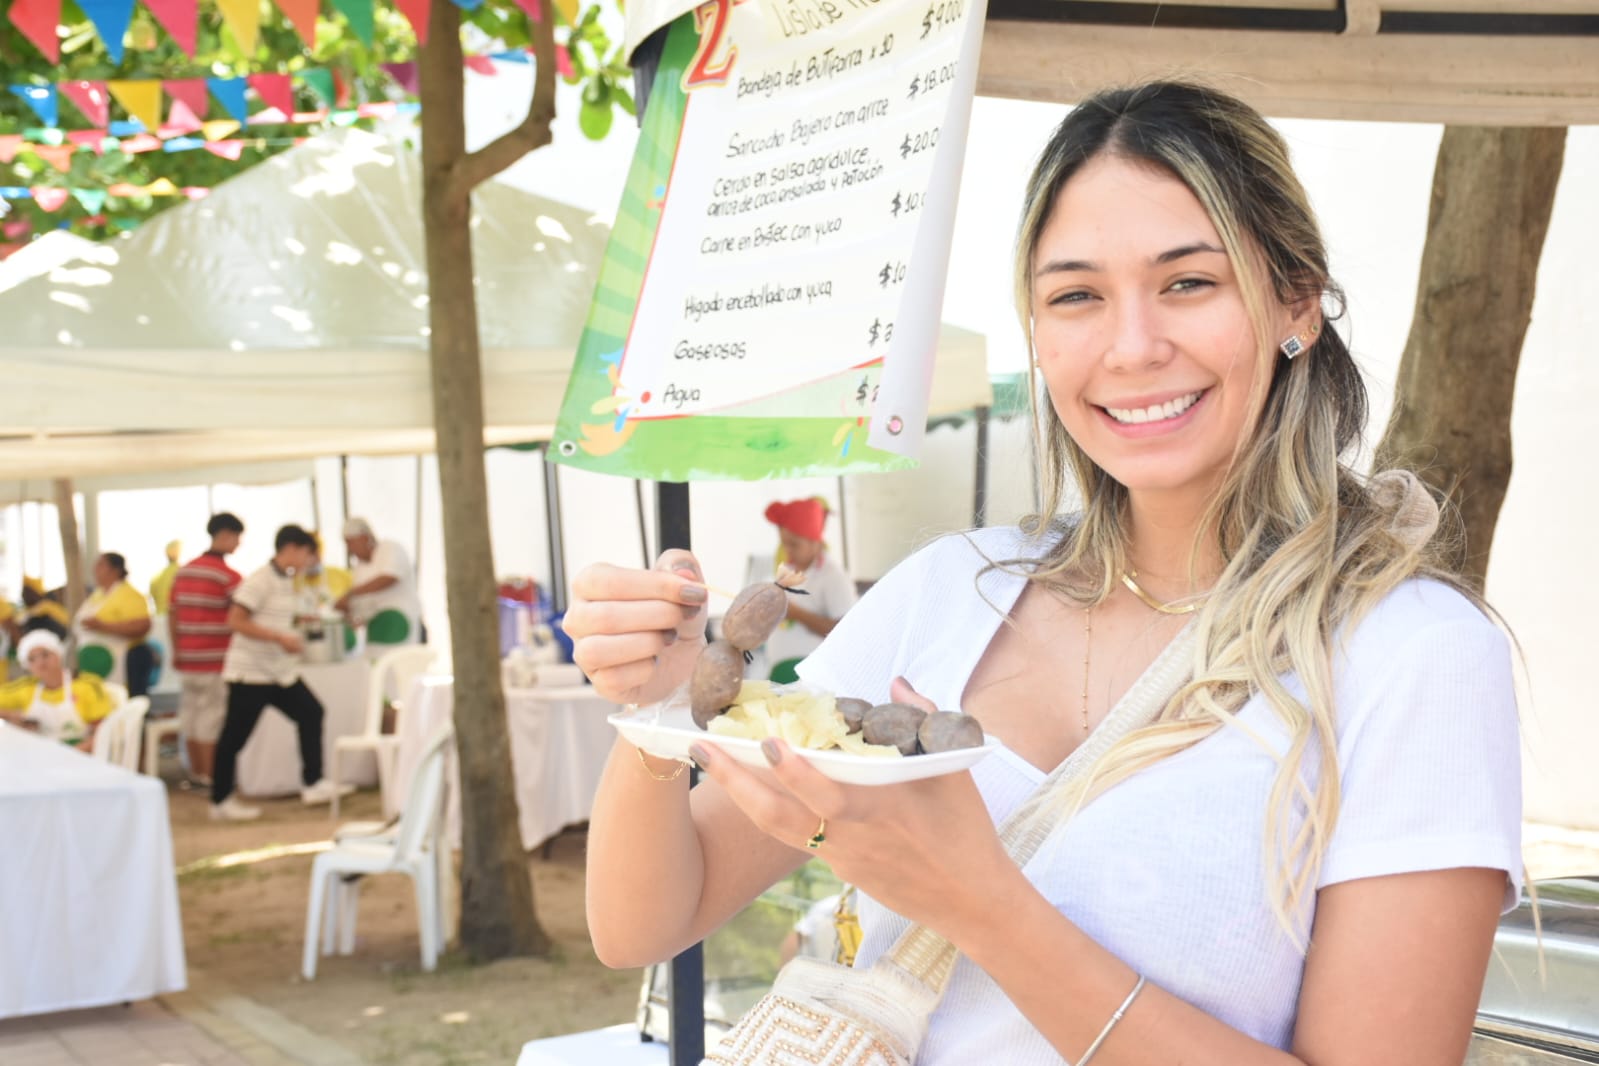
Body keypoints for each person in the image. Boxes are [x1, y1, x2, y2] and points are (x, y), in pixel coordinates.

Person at [565, 82, 1521, 1065]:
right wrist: (659, 713)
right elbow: (646, 922)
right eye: (1077, 296)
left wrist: (980, 906)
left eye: (1189, 282)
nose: (1132, 346)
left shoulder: (1414, 655)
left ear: (1296, 303)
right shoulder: (950, 589)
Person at [210, 524, 352, 822]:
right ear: (290, 549)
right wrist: (278, 638)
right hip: (250, 674)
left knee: (311, 712)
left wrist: (299, 623)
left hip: (279, 673)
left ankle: (313, 783)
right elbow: (235, 620)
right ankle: (220, 800)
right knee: (234, 738)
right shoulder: (259, 580)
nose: (308, 560)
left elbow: (277, 617)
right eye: (306, 553)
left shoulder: (288, 581)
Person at [169, 513, 245, 786]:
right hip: (215, 659)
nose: (238, 544)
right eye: (237, 538)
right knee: (212, 720)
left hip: (188, 659)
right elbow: (244, 617)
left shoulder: (184, 572)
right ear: (225, 535)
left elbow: (172, 614)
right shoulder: (229, 577)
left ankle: (196, 774)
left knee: (191, 717)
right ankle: (212, 777)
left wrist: (177, 650)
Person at [749, 498, 857, 683]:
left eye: (794, 544)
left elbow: (845, 632)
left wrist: (797, 613)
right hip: (779, 669)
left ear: (814, 542)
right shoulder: (788, 570)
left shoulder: (833, 576)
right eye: (785, 543)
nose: (788, 550)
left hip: (813, 675)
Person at [0, 630, 115, 747]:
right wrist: (11, 715)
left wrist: (74, 754)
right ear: (27, 666)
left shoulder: (88, 685)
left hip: (82, 756)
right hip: (39, 753)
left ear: (59, 655)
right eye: (32, 659)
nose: (40, 662)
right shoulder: (25, 688)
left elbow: (103, 731)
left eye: (45, 654)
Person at [74, 552, 154, 695]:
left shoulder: (129, 594)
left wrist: (103, 627)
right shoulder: (97, 594)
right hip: (98, 665)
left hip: (129, 660)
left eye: (101, 565)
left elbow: (143, 626)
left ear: (115, 570)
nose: (95, 569)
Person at [336, 518, 421, 644]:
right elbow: (360, 607)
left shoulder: (390, 548)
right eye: (346, 544)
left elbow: (390, 577)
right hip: (375, 628)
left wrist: (351, 594)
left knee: (401, 659)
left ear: (365, 537)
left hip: (399, 621)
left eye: (351, 542)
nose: (349, 549)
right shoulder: (358, 569)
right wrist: (347, 609)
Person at [149, 539, 182, 615]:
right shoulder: (182, 573)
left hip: (159, 617)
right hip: (175, 618)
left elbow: (152, 594)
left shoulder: (157, 576)